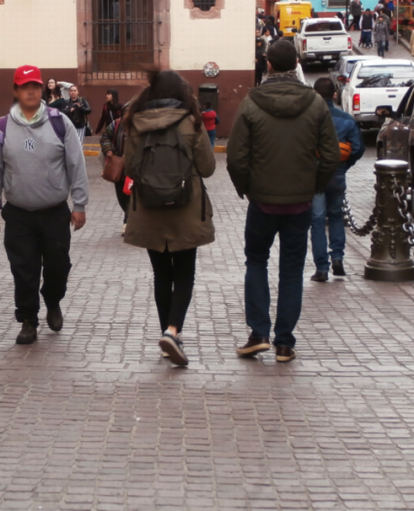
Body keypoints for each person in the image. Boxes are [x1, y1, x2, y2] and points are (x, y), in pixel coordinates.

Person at [227, 40, 339, 363]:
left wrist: (246, 188)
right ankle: (285, 342)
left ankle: (258, 332)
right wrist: (313, 186)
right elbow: (330, 156)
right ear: (297, 64)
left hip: (262, 201)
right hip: (300, 203)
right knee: (291, 270)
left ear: (268, 64)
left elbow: (236, 158)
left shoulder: (251, 103)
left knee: (256, 261)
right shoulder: (316, 103)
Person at [0, 65, 89, 345]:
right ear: (16, 91)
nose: (30, 90)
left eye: (35, 85)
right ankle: (28, 320)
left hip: (54, 212)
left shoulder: (58, 122)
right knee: (24, 270)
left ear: (42, 89)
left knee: (58, 267)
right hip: (18, 215)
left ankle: (52, 299)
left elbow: (76, 164)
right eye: (24, 86)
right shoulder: (2, 128)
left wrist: (80, 203)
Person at [123, 72, 216, 366]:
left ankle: (168, 335)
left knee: (162, 274)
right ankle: (172, 331)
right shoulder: (192, 122)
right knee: (185, 273)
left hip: (149, 209)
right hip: (186, 209)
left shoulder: (136, 122)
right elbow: (208, 167)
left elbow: (129, 166)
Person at [309, 78, 365, 282]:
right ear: (334, 94)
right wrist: (344, 165)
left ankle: (321, 268)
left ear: (314, 94)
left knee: (316, 220)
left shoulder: (309, 118)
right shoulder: (346, 119)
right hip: (337, 174)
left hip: (315, 176)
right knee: (335, 216)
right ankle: (338, 258)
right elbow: (358, 149)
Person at [100, 102, 130, 235]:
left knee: (133, 197)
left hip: (135, 169)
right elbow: (105, 136)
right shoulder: (117, 124)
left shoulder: (142, 126)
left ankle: (128, 223)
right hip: (119, 168)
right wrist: (109, 151)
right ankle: (128, 219)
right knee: (122, 197)